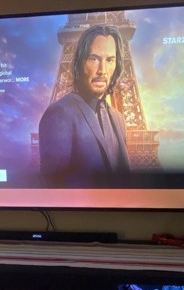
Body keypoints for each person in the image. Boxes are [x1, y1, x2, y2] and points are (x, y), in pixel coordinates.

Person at [39, 24, 131, 188]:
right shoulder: (59, 114)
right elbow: (53, 190)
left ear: (116, 65)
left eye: (110, 60)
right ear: (79, 62)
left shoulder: (118, 119)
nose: (102, 70)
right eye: (94, 58)